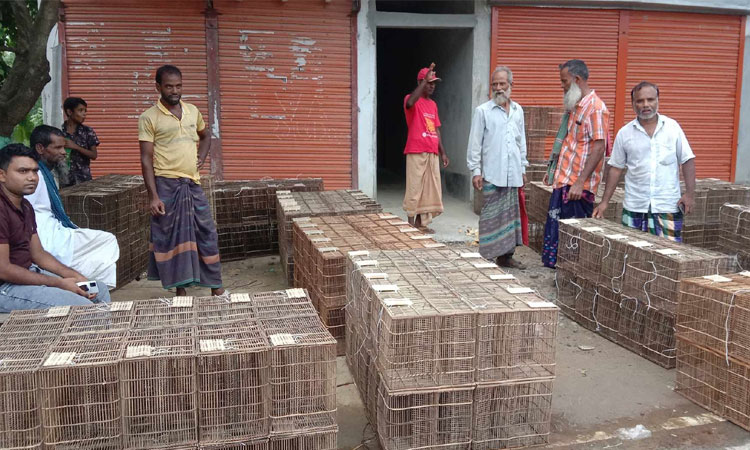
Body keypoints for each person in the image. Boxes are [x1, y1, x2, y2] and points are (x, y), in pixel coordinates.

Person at [138, 64, 225, 297]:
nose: (174, 91)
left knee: (206, 232)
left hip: (192, 184)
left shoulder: (193, 111)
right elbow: (146, 158)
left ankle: (217, 287)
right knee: (172, 237)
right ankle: (180, 289)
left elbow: (206, 136)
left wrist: (202, 156)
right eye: (169, 86)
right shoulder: (148, 118)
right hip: (166, 185)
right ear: (158, 87)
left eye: (178, 86)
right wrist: (153, 196)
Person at [0, 144, 110, 312]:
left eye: (35, 171)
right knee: (82, 306)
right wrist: (59, 282)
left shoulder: (26, 206)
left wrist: (73, 276)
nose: (32, 177)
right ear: (2, 175)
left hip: (27, 273)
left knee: (98, 290)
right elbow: (4, 270)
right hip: (5, 287)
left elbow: (39, 254)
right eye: (23, 171)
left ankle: (103, 337)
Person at [593, 82, 695, 241]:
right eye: (640, 101)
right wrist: (604, 202)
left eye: (650, 99)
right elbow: (615, 169)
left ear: (658, 100)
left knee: (668, 257)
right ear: (633, 104)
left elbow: (687, 160)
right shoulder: (625, 133)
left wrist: (690, 194)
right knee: (633, 255)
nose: (645, 105)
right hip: (635, 206)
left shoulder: (672, 128)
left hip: (667, 205)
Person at [25, 125, 120, 287]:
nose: (63, 152)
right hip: (46, 240)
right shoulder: (34, 177)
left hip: (56, 232)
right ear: (40, 148)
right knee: (106, 242)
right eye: (58, 147)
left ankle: (90, 287)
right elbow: (24, 213)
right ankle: (87, 287)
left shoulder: (44, 172)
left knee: (106, 244)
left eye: (64, 147)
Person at [542, 59, 610, 268]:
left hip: (577, 187)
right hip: (564, 180)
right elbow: (569, 142)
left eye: (564, 82)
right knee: (558, 230)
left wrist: (580, 182)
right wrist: (553, 170)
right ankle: (559, 272)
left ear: (577, 80)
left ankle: (571, 274)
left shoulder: (596, 108)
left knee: (573, 236)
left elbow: (599, 147)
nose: (562, 86)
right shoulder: (575, 107)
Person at [467, 66, 527, 269]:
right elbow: (475, 143)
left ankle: (506, 257)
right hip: (492, 174)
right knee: (491, 216)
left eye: (502, 84)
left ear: (511, 85)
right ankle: (487, 256)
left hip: (513, 174)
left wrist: (523, 168)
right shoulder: (483, 111)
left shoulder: (518, 111)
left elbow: (521, 143)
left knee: (510, 217)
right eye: (495, 84)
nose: (498, 88)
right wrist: (476, 170)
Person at [403, 63, 450, 233]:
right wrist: (424, 80)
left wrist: (442, 152)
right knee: (415, 187)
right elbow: (409, 103)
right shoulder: (411, 99)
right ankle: (409, 224)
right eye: (429, 82)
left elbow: (436, 129)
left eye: (433, 83)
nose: (432, 86)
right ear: (421, 82)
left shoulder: (433, 105)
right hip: (416, 150)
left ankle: (420, 224)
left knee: (428, 189)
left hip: (432, 151)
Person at [61, 96, 100, 187]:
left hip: (84, 179)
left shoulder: (87, 131)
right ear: (69, 112)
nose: (84, 114)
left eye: (85, 111)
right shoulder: (59, 131)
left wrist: (76, 147)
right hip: (64, 179)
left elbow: (94, 155)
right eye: (80, 110)